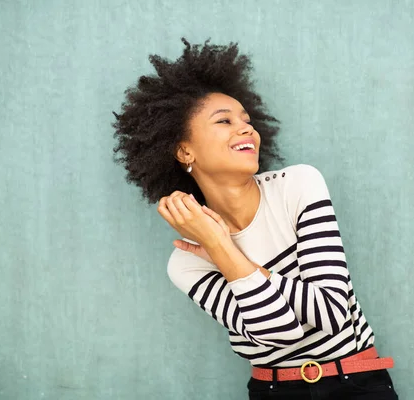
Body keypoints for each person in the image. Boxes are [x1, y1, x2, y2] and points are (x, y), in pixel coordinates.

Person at [112, 38, 398, 400]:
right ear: (185, 150)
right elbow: (282, 334)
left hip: (357, 384)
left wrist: (225, 254)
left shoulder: (298, 185)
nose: (247, 128)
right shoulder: (185, 262)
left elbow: (333, 313)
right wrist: (215, 243)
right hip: (273, 391)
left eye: (247, 121)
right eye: (224, 121)